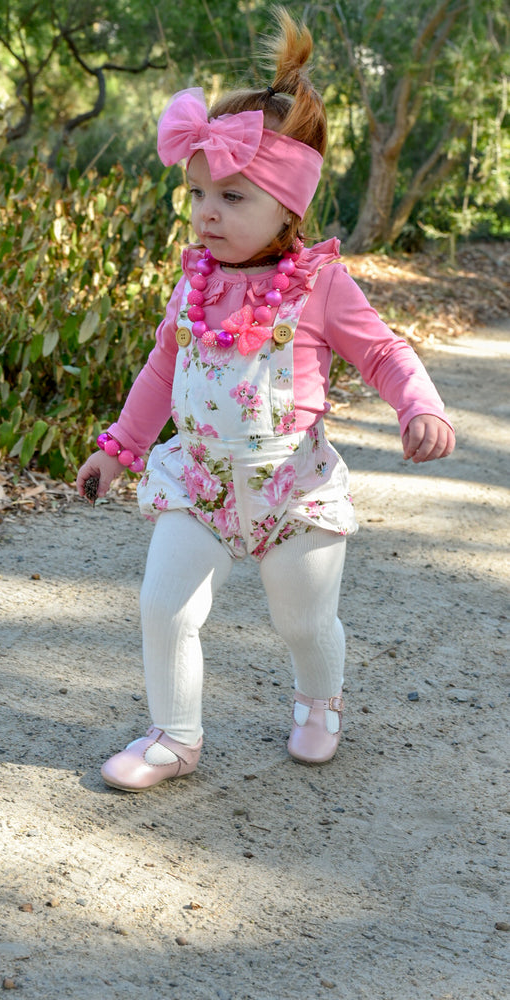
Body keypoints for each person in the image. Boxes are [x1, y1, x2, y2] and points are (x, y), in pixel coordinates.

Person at [76, 9, 455, 791]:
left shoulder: (320, 284)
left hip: (292, 489)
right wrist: (119, 450)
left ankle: (318, 701)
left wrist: (418, 405)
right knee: (165, 607)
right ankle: (174, 736)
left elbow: (382, 351)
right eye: (196, 193)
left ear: (288, 206)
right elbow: (161, 370)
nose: (206, 212)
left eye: (232, 196)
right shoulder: (192, 283)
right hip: (200, 482)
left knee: (301, 619)